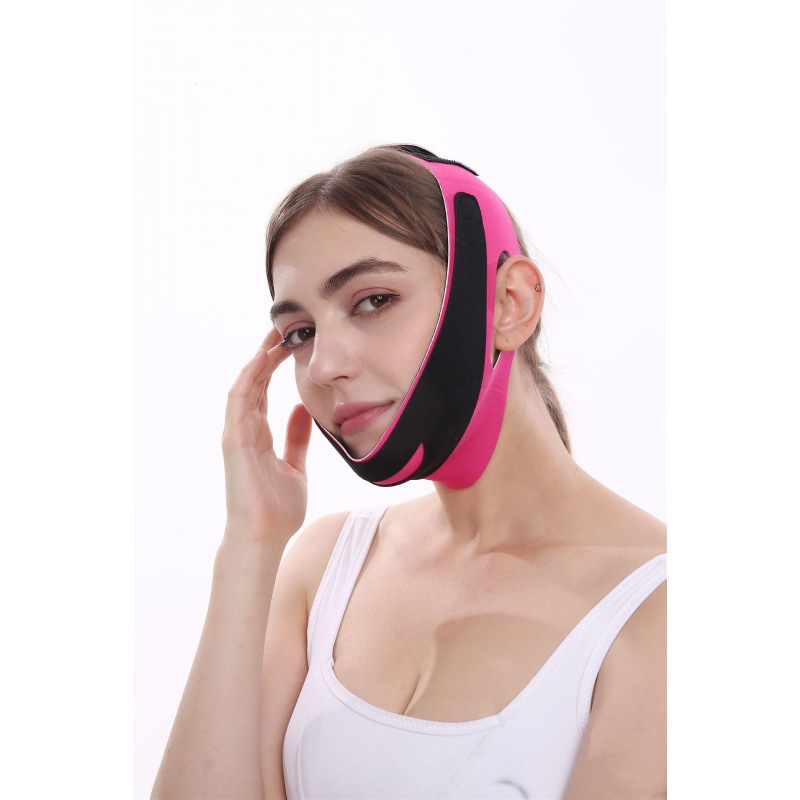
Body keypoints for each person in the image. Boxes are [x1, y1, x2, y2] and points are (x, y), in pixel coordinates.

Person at [151, 145, 667, 800]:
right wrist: (251, 544)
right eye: (300, 333)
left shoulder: (660, 608)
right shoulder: (326, 566)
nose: (323, 366)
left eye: (373, 300)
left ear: (509, 302)